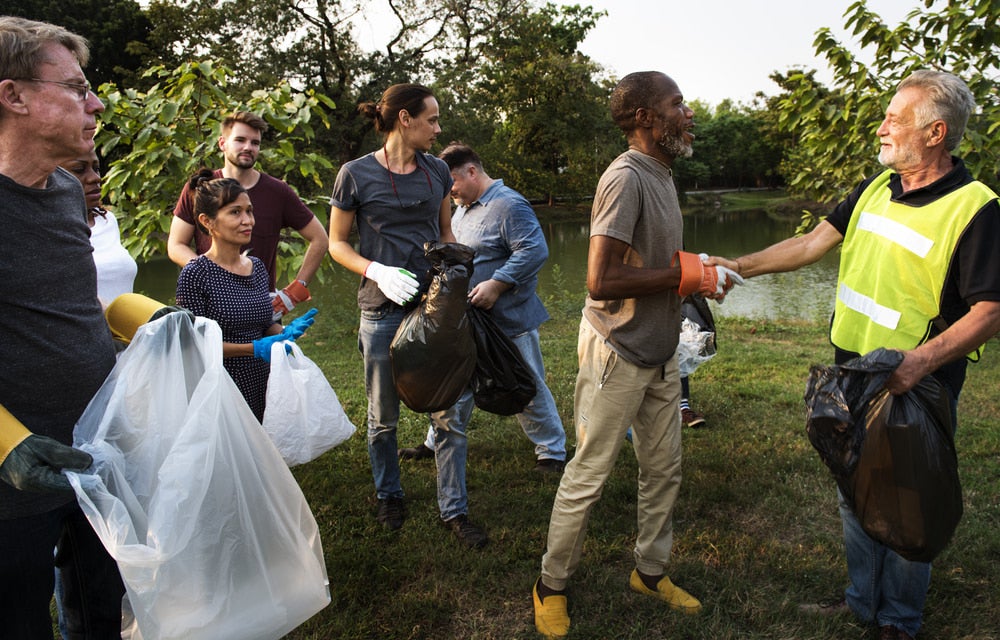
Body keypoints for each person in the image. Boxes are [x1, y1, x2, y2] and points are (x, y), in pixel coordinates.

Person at [707, 70, 1000, 640]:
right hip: (850, 371)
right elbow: (811, 244)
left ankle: (898, 621)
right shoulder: (874, 186)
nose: (883, 126)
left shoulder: (977, 208)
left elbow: (989, 312)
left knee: (906, 500)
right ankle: (861, 603)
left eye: (896, 118)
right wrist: (737, 266)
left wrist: (917, 363)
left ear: (935, 132)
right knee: (854, 490)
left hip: (916, 381)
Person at [532, 71, 740, 638]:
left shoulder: (663, 173)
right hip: (617, 351)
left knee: (664, 468)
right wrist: (683, 275)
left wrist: (698, 270)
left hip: (660, 349)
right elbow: (601, 278)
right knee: (589, 474)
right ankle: (550, 584)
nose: (688, 112)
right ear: (646, 117)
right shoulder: (625, 177)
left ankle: (650, 573)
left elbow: (658, 260)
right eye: (678, 103)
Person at [0, 16, 127, 638]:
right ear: (14, 95)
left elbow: (74, 304)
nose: (96, 101)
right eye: (77, 88)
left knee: (99, 614)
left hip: (91, 455)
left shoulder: (62, 192)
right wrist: (3, 442)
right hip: (12, 488)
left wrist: (152, 319)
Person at [328, 83, 488, 547]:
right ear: (404, 119)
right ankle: (389, 494)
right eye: (432, 120)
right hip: (380, 310)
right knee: (383, 417)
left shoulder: (437, 171)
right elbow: (337, 243)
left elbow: (443, 232)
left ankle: (454, 510)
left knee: (449, 412)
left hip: (432, 309)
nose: (438, 130)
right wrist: (375, 269)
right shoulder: (354, 174)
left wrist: (453, 273)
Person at [396, 141, 567, 473]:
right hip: (467, 321)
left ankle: (552, 451)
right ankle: (435, 442)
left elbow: (534, 251)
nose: (451, 193)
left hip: (507, 320)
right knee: (454, 382)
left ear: (471, 171)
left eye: (453, 185)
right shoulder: (463, 209)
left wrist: (497, 283)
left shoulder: (508, 205)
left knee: (524, 382)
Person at [176, 170, 316, 423]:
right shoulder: (196, 274)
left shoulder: (257, 267)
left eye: (249, 211)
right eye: (235, 212)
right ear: (207, 221)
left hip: (261, 381)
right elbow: (194, 346)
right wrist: (253, 348)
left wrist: (282, 333)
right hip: (221, 386)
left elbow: (263, 324)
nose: (248, 220)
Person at [167, 111, 329, 306]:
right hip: (211, 301)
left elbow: (320, 239)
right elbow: (176, 245)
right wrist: (211, 276)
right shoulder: (202, 187)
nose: (248, 147)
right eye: (240, 140)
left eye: (255, 143)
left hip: (262, 305)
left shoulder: (278, 191)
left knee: (277, 337)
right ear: (222, 143)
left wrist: (293, 293)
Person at [61, 149, 137, 308]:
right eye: (79, 170)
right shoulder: (48, 230)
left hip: (126, 330)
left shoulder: (107, 220)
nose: (95, 178)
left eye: (96, 169)